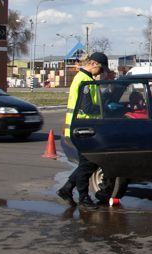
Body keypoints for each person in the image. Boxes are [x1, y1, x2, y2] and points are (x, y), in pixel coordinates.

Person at [57, 52, 110, 207]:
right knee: (87, 164)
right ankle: (83, 197)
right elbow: (87, 108)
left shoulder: (84, 79)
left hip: (82, 128)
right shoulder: (85, 81)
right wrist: (104, 110)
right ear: (93, 64)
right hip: (83, 129)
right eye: (100, 69)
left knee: (87, 163)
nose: (101, 72)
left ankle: (66, 189)